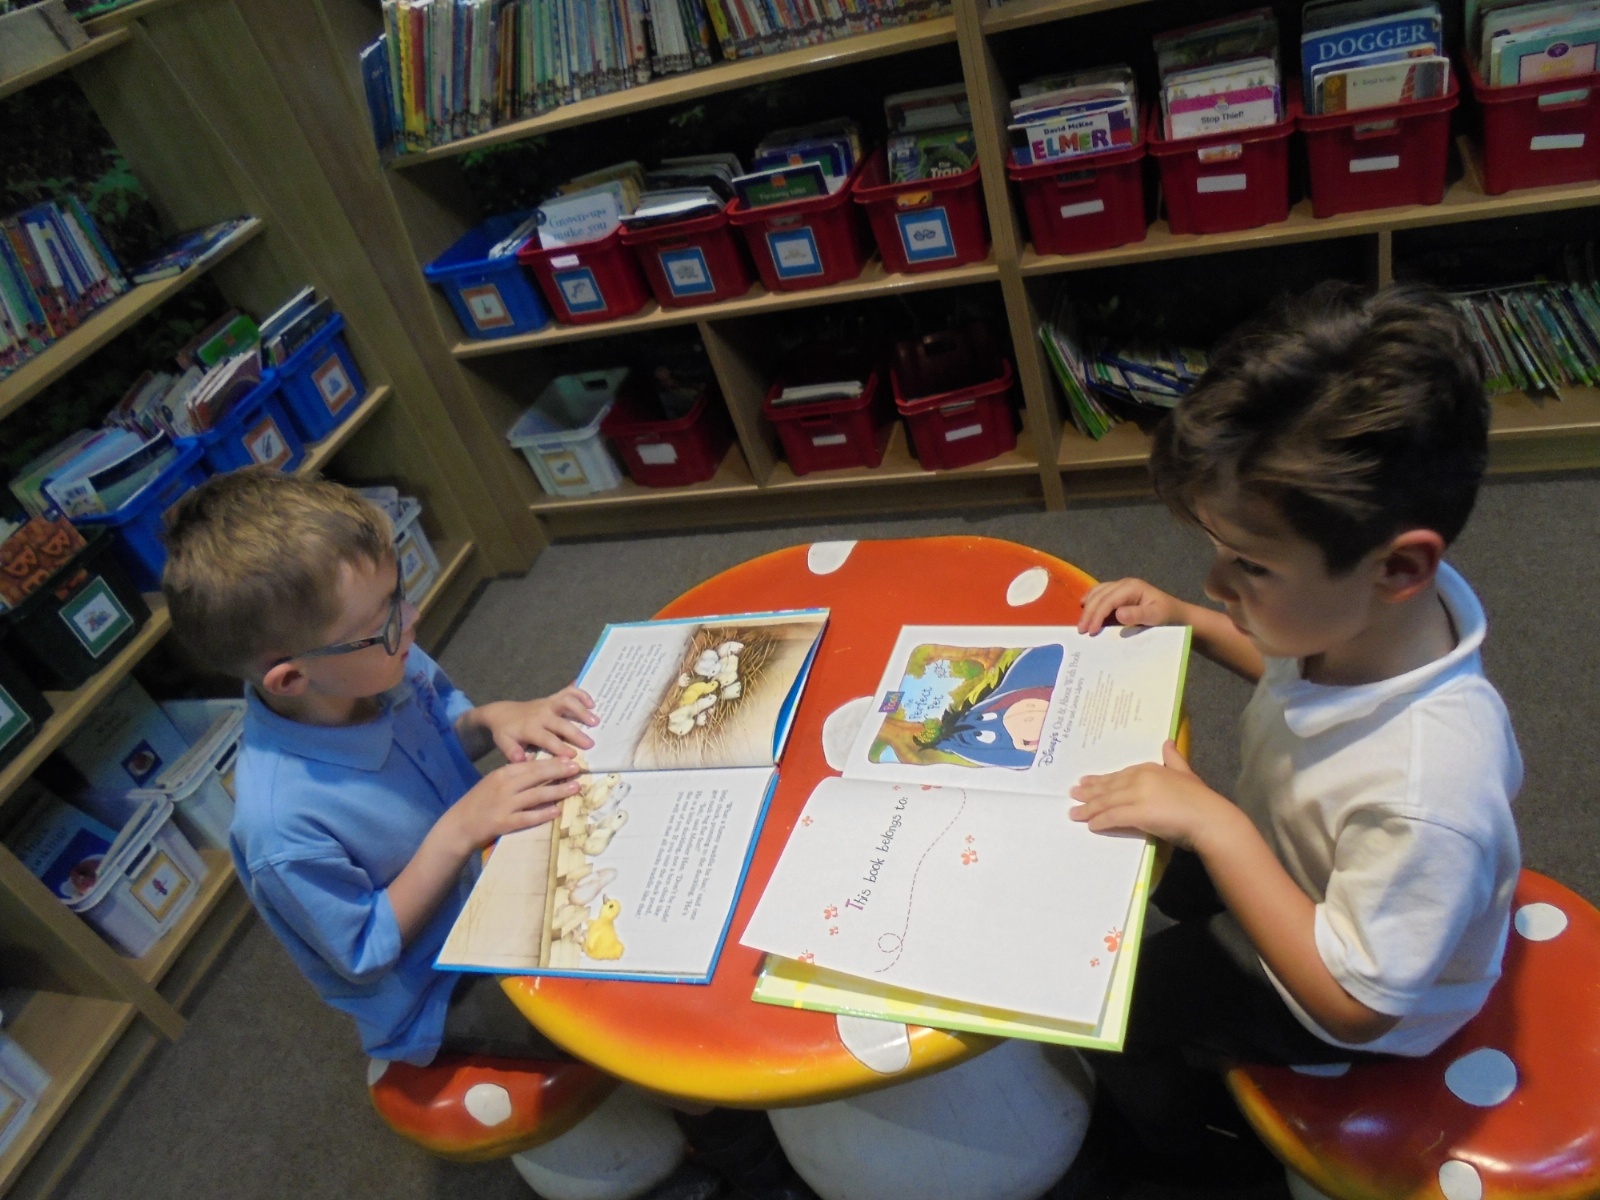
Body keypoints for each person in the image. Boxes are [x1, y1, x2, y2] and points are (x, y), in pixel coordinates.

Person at [162, 469, 813, 1200]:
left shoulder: (377, 663)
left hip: (499, 879)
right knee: (647, 1024)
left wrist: (495, 717)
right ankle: (753, 1169)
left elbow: (447, 723)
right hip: (441, 986)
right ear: (289, 680)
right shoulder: (280, 825)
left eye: (399, 593)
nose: (410, 620)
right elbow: (363, 953)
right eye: (383, 620)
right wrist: (457, 831)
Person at [1061, 283, 1523, 1188]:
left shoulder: (1429, 793)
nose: (1218, 581)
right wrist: (1189, 619)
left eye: (1249, 564)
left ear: (1399, 567)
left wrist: (1217, 826)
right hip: (1298, 859)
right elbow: (1282, 661)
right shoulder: (1364, 621)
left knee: (1120, 1013)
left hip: (1353, 981)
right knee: (1128, 849)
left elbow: (1356, 1006)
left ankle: (1199, 1162)